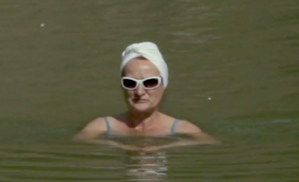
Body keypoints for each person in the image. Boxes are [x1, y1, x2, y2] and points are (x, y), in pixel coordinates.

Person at [75, 42, 215, 147]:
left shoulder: (184, 130)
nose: (140, 92)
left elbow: (215, 149)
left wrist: (170, 145)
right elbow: (75, 148)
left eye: (150, 83)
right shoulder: (101, 127)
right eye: (130, 83)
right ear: (122, 86)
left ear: (163, 85)